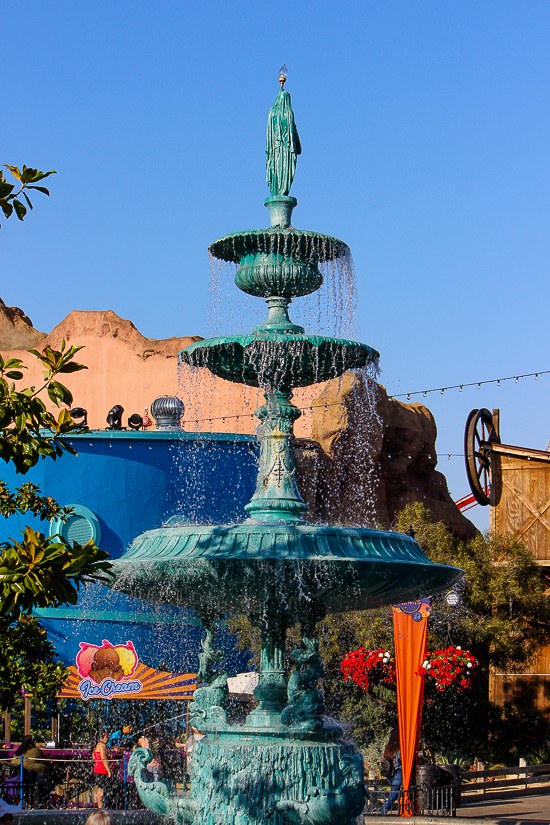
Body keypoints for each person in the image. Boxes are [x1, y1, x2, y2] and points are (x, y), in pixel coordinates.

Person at [380, 728, 402, 815]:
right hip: (398, 772)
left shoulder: (388, 748)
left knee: (394, 794)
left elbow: (383, 760)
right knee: (394, 795)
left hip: (389, 774)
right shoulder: (399, 748)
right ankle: (383, 812)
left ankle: (383, 811)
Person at [92, 731, 113, 809]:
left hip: (96, 768)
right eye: (106, 736)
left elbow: (94, 757)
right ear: (102, 738)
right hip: (102, 769)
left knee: (100, 788)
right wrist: (109, 771)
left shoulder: (96, 745)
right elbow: (104, 758)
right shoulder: (102, 746)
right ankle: (102, 806)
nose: (108, 738)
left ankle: (99, 806)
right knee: (103, 789)